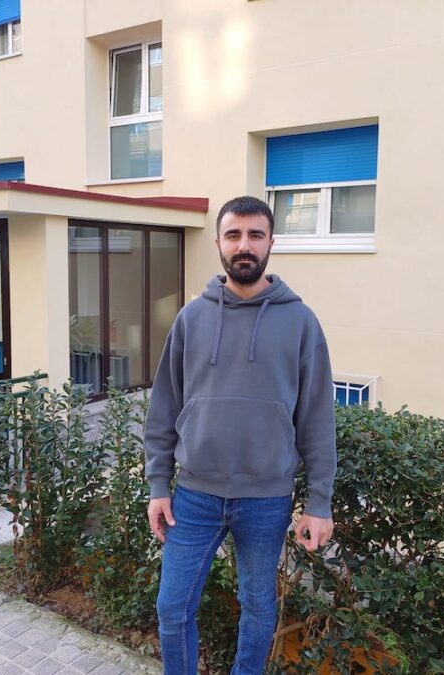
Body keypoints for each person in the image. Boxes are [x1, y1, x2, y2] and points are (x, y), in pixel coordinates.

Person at [144, 195, 337, 674]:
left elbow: (316, 417)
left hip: (266, 499)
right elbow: (164, 406)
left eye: (255, 235)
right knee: (172, 607)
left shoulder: (300, 322)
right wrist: (158, 485)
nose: (244, 245)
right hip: (194, 496)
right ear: (218, 242)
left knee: (257, 605)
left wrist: (319, 501)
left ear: (271, 242)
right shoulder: (191, 318)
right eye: (233, 235)